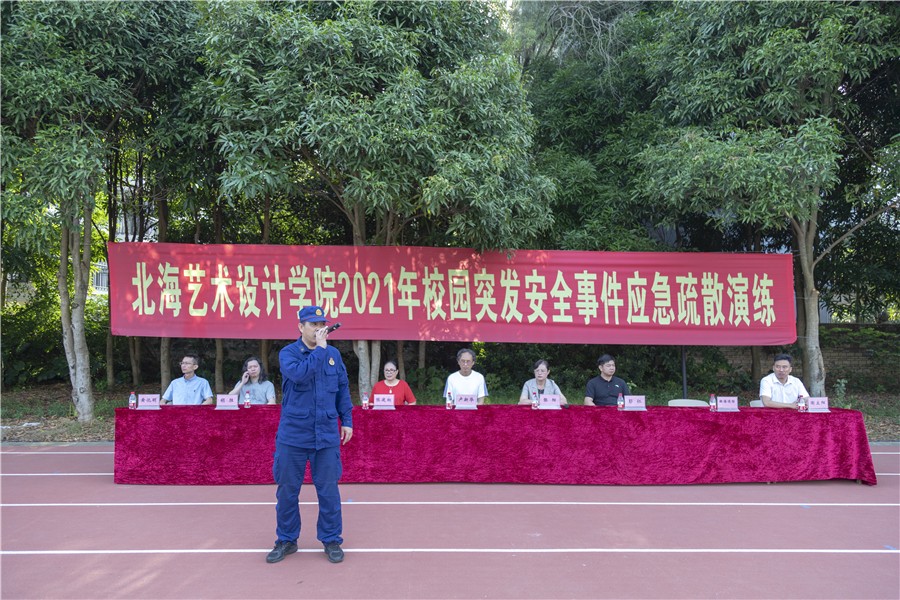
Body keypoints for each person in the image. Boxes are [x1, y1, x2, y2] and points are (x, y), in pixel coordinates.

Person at [266, 306, 353, 565]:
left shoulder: (333, 355)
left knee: (328, 491)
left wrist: (347, 420)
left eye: (321, 324)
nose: (318, 328)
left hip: (325, 434)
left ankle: (331, 539)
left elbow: (342, 388)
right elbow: (300, 375)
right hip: (293, 435)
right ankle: (286, 539)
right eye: (313, 324)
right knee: (287, 491)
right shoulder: (289, 353)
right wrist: (321, 350)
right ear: (300, 327)